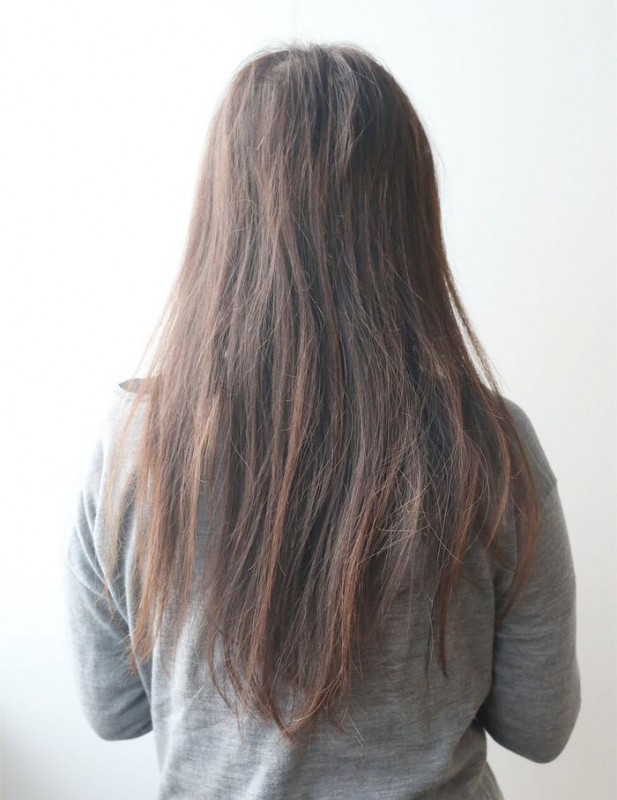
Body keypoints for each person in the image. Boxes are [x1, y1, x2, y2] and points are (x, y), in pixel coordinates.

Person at [63, 41, 581, 799]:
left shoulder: (136, 445)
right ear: (409, 220)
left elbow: (112, 711)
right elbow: (540, 726)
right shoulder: (491, 447)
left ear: (223, 215)